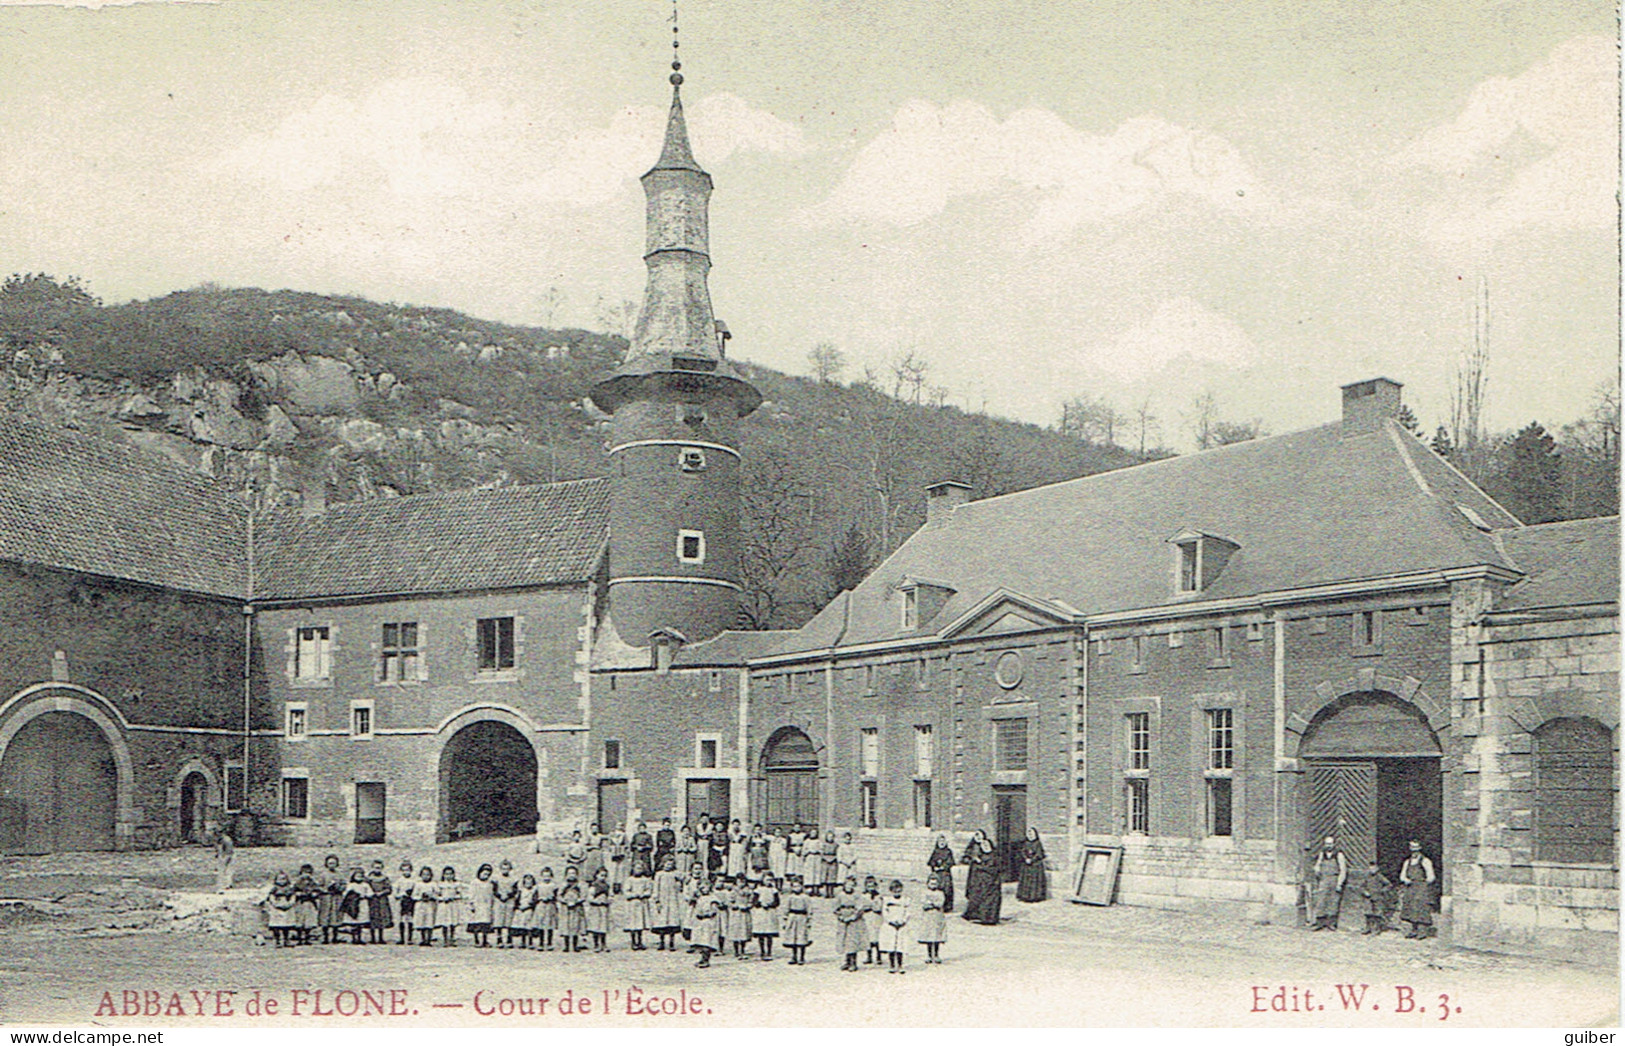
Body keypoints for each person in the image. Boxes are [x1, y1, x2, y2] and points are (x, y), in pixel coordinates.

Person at [1398, 840, 1438, 939]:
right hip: (1411, 887)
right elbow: (1402, 875)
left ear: (1420, 848)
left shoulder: (1425, 861)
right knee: (1411, 907)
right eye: (1412, 848)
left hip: (1421, 888)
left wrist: (1423, 884)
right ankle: (1414, 930)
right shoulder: (1407, 862)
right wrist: (1406, 880)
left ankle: (1422, 931)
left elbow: (1431, 876)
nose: (1414, 851)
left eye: (1416, 848)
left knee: (1421, 908)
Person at [961, 830, 1003, 926]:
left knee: (989, 900)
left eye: (987, 845)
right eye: (983, 846)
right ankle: (976, 914)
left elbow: (993, 868)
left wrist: (980, 865)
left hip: (991, 882)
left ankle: (989, 918)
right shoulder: (980, 854)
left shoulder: (994, 856)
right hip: (979, 880)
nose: (985, 847)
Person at [1309, 836, 1347, 931]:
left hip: (1334, 879)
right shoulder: (1322, 853)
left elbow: (1343, 870)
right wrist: (1317, 869)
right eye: (1326, 844)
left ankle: (1331, 923)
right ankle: (1320, 922)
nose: (1328, 846)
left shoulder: (1338, 854)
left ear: (1334, 844)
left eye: (1330, 844)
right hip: (1323, 879)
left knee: (1333, 901)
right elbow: (1318, 864)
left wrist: (1339, 883)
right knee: (1321, 900)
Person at [1355, 861, 1396, 935]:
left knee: (1377, 913)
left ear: (1377, 869)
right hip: (1368, 898)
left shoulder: (1380, 877)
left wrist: (1381, 891)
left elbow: (1389, 885)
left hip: (1378, 897)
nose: (1372, 870)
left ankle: (1377, 929)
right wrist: (1365, 892)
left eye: (1374, 868)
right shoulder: (1367, 877)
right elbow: (1361, 886)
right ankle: (1368, 928)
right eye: (1370, 868)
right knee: (1368, 913)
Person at [652, 854, 682, 951]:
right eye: (667, 864)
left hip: (672, 900)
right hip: (663, 899)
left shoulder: (674, 874)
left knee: (672, 922)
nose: (668, 866)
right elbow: (656, 888)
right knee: (662, 921)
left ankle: (671, 942)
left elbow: (684, 878)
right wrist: (657, 900)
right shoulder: (659, 874)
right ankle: (661, 942)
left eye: (671, 865)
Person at [834, 876, 865, 972]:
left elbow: (860, 908)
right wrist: (841, 916)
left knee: (852, 941)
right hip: (843, 919)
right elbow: (835, 908)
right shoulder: (840, 895)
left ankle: (853, 962)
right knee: (844, 940)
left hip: (854, 920)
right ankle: (847, 961)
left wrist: (853, 917)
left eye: (851, 885)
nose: (849, 887)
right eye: (847, 884)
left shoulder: (857, 895)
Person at [624, 854, 653, 951]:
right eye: (637, 868)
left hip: (642, 904)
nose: (638, 870)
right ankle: (633, 942)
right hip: (632, 904)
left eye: (640, 868)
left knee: (640, 923)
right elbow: (626, 891)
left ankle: (640, 941)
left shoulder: (645, 880)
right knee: (633, 923)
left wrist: (644, 894)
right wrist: (633, 894)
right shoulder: (629, 880)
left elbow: (649, 890)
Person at [881, 879, 910, 974]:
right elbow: (885, 912)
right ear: (891, 891)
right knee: (891, 946)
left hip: (901, 925)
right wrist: (891, 921)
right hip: (890, 926)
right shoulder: (887, 900)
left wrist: (903, 921)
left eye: (899, 891)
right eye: (895, 891)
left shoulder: (905, 900)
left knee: (900, 946)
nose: (897, 893)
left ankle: (900, 965)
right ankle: (892, 965)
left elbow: (908, 912)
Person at [917, 873, 947, 964]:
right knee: (929, 936)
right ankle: (929, 955)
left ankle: (936, 954)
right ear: (927, 883)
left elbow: (940, 903)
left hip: (937, 917)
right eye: (931, 883)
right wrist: (931, 904)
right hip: (928, 917)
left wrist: (932, 903)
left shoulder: (940, 893)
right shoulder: (924, 892)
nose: (933, 885)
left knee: (937, 936)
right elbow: (924, 904)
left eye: (935, 884)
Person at [782, 876, 812, 965]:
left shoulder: (805, 897)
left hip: (802, 918)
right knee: (793, 938)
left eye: (798, 886)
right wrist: (785, 919)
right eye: (794, 886)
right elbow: (786, 908)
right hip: (792, 918)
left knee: (801, 937)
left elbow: (809, 909)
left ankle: (802, 957)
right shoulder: (790, 897)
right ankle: (794, 956)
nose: (796, 888)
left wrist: (809, 920)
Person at [691, 876, 719, 968]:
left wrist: (707, 914)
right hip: (700, 922)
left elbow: (714, 911)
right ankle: (702, 958)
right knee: (700, 940)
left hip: (708, 922)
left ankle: (706, 959)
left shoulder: (712, 898)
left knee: (707, 941)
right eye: (702, 888)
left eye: (706, 887)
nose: (704, 889)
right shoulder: (700, 898)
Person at [265, 871, 297, 948]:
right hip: (277, 909)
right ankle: (277, 940)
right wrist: (276, 904)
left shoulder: (290, 889)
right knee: (276, 926)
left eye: (283, 879)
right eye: (279, 879)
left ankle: (286, 940)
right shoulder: (274, 889)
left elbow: (293, 898)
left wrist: (289, 904)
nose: (281, 881)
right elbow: (271, 898)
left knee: (286, 926)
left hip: (287, 908)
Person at [365, 860, 394, 945]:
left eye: (379, 868)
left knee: (381, 917)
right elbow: (366, 887)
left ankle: (381, 937)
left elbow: (389, 889)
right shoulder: (369, 878)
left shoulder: (385, 878)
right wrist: (371, 893)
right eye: (376, 868)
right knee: (373, 917)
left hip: (382, 900)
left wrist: (381, 893)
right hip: (372, 900)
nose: (377, 870)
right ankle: (373, 937)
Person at [1017, 827, 1050, 903]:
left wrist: (1032, 860)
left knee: (1035, 881)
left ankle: (1035, 897)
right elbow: (1022, 852)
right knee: (1026, 880)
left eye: (1032, 834)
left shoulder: (1038, 844)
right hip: (1026, 865)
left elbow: (1039, 854)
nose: (1030, 835)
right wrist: (1026, 858)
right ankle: (1025, 896)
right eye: (1029, 834)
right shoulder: (1025, 843)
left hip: (1035, 864)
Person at [316, 854, 343, 945]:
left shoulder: (339, 874)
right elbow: (318, 886)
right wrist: (326, 889)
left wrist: (339, 888)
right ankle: (325, 937)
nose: (332, 865)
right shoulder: (323, 875)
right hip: (326, 898)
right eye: (330, 863)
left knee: (335, 915)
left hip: (336, 897)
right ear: (326, 864)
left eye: (334, 863)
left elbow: (344, 884)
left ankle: (335, 937)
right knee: (325, 916)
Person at [467, 863, 496, 947]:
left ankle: (484, 940)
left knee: (485, 924)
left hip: (486, 905)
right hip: (477, 904)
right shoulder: (474, 883)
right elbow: (471, 894)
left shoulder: (489, 884)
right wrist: (471, 904)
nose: (485, 876)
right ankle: (477, 940)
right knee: (476, 923)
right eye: (484, 874)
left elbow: (491, 895)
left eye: (488, 874)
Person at [292, 863, 321, 946]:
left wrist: (315, 894)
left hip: (309, 903)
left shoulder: (313, 882)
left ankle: (307, 937)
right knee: (299, 920)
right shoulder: (298, 882)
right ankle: (300, 937)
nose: (306, 875)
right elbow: (293, 890)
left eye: (308, 872)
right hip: (300, 903)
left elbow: (317, 890)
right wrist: (298, 893)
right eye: (304, 872)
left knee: (309, 921)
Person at [927, 835, 957, 914]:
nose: (942, 843)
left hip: (945, 873)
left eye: (943, 841)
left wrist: (943, 867)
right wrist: (934, 866)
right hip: (937, 873)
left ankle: (947, 906)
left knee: (947, 889)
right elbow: (931, 861)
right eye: (940, 841)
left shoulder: (948, 851)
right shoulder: (935, 851)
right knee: (937, 888)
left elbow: (950, 862)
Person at [753, 874, 780, 960]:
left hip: (770, 913)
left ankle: (769, 951)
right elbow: (754, 901)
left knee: (769, 934)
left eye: (770, 880)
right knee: (761, 933)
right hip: (761, 913)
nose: (769, 882)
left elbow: (777, 902)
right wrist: (760, 904)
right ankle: (762, 951)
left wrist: (771, 904)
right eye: (767, 880)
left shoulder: (774, 890)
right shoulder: (758, 890)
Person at [559, 866, 585, 953]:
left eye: (573, 873)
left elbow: (583, 896)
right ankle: (566, 945)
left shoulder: (579, 885)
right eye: (569, 873)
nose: (571, 875)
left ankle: (575, 945)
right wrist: (564, 901)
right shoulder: (563, 885)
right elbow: (559, 895)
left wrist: (577, 901)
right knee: (566, 925)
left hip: (576, 907)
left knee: (575, 925)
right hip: (566, 908)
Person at [340, 867, 369, 944]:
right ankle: (354, 938)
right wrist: (352, 895)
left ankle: (359, 938)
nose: (359, 878)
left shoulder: (365, 885)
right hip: (353, 904)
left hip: (362, 903)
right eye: (357, 876)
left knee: (361, 922)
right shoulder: (351, 885)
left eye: (361, 876)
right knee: (353, 922)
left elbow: (370, 893)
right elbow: (345, 894)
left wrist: (365, 895)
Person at [493, 859, 518, 947]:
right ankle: (499, 939)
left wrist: (508, 895)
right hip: (499, 900)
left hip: (509, 900)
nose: (505, 871)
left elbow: (515, 890)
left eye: (507, 869)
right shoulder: (496, 878)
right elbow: (494, 890)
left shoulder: (513, 879)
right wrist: (500, 896)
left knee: (509, 920)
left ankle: (509, 939)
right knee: (499, 920)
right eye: (503, 869)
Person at [436, 866, 463, 947]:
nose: (448, 876)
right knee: (444, 922)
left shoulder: (456, 884)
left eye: (450, 874)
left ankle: (451, 938)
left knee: (452, 922)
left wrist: (454, 897)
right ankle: (445, 939)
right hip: (444, 904)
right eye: (446, 874)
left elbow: (460, 894)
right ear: (443, 875)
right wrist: (442, 898)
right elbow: (437, 895)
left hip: (453, 904)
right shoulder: (440, 884)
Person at [587, 866, 612, 952]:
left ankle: (603, 944)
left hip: (604, 908)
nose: (603, 877)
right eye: (601, 875)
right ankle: (596, 944)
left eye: (605, 876)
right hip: (595, 909)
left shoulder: (607, 886)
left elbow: (610, 896)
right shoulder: (594, 886)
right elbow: (589, 897)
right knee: (595, 926)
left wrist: (608, 901)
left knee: (603, 927)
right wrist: (596, 901)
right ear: (597, 875)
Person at [411, 865, 437, 946]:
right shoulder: (418, 884)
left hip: (430, 905)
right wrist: (420, 897)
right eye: (424, 874)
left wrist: (431, 896)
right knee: (421, 922)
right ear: (421, 875)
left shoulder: (433, 884)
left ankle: (428, 939)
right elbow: (413, 896)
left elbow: (437, 894)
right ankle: (423, 939)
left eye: (428, 875)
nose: (426, 876)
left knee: (429, 922)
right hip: (420, 905)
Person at [861, 875, 883, 965]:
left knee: (877, 937)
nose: (871, 888)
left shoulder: (879, 896)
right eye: (869, 886)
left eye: (873, 886)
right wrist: (870, 906)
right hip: (867, 917)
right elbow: (863, 907)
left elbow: (879, 907)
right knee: (868, 937)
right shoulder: (863, 896)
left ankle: (878, 956)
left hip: (877, 918)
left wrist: (872, 906)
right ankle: (869, 956)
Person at [536, 866, 559, 951]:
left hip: (550, 905)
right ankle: (541, 943)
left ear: (551, 876)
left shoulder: (553, 886)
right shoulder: (539, 886)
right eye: (544, 876)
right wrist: (540, 898)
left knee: (550, 924)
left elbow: (556, 896)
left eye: (548, 876)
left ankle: (549, 942)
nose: (546, 878)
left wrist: (550, 898)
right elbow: (535, 896)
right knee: (541, 924)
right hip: (541, 905)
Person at [394, 860, 416, 945]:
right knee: (402, 919)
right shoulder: (399, 881)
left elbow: (416, 890)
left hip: (410, 901)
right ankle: (401, 938)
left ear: (411, 870)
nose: (406, 872)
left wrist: (411, 894)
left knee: (410, 918)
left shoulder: (414, 881)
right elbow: (395, 892)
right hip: (402, 901)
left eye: (408, 870)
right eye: (404, 870)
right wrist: (401, 894)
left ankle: (410, 938)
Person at [515, 873, 539, 949]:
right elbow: (517, 900)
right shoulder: (521, 891)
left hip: (529, 909)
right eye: (526, 883)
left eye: (530, 883)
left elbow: (535, 901)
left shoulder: (534, 891)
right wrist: (519, 906)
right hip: (521, 909)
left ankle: (530, 942)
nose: (528, 884)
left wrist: (530, 905)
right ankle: (523, 941)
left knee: (529, 927)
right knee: (522, 927)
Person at [607, 826, 629, 895]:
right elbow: (608, 845)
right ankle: (611, 889)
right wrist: (612, 849)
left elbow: (627, 845)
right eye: (617, 829)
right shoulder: (611, 836)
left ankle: (621, 888)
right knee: (613, 872)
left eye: (620, 829)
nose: (618, 830)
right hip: (613, 856)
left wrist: (623, 849)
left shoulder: (624, 836)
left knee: (621, 872)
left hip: (621, 856)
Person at [214, 827, 235, 892]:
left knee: (222, 871)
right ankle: (228, 884)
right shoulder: (224, 839)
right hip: (227, 855)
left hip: (225, 855)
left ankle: (222, 886)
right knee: (228, 871)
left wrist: (224, 858)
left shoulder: (226, 840)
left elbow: (227, 850)